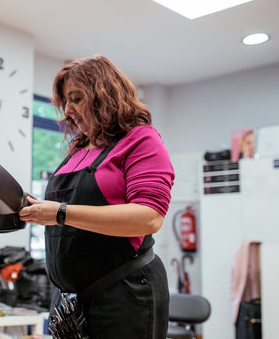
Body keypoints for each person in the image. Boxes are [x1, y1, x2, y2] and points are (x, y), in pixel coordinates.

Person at [19, 56, 175, 339]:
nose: (68, 110)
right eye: (65, 101)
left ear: (104, 96)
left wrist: (60, 213)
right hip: (70, 304)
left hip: (125, 296)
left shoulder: (141, 140)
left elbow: (148, 217)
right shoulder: (77, 151)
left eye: (76, 98)